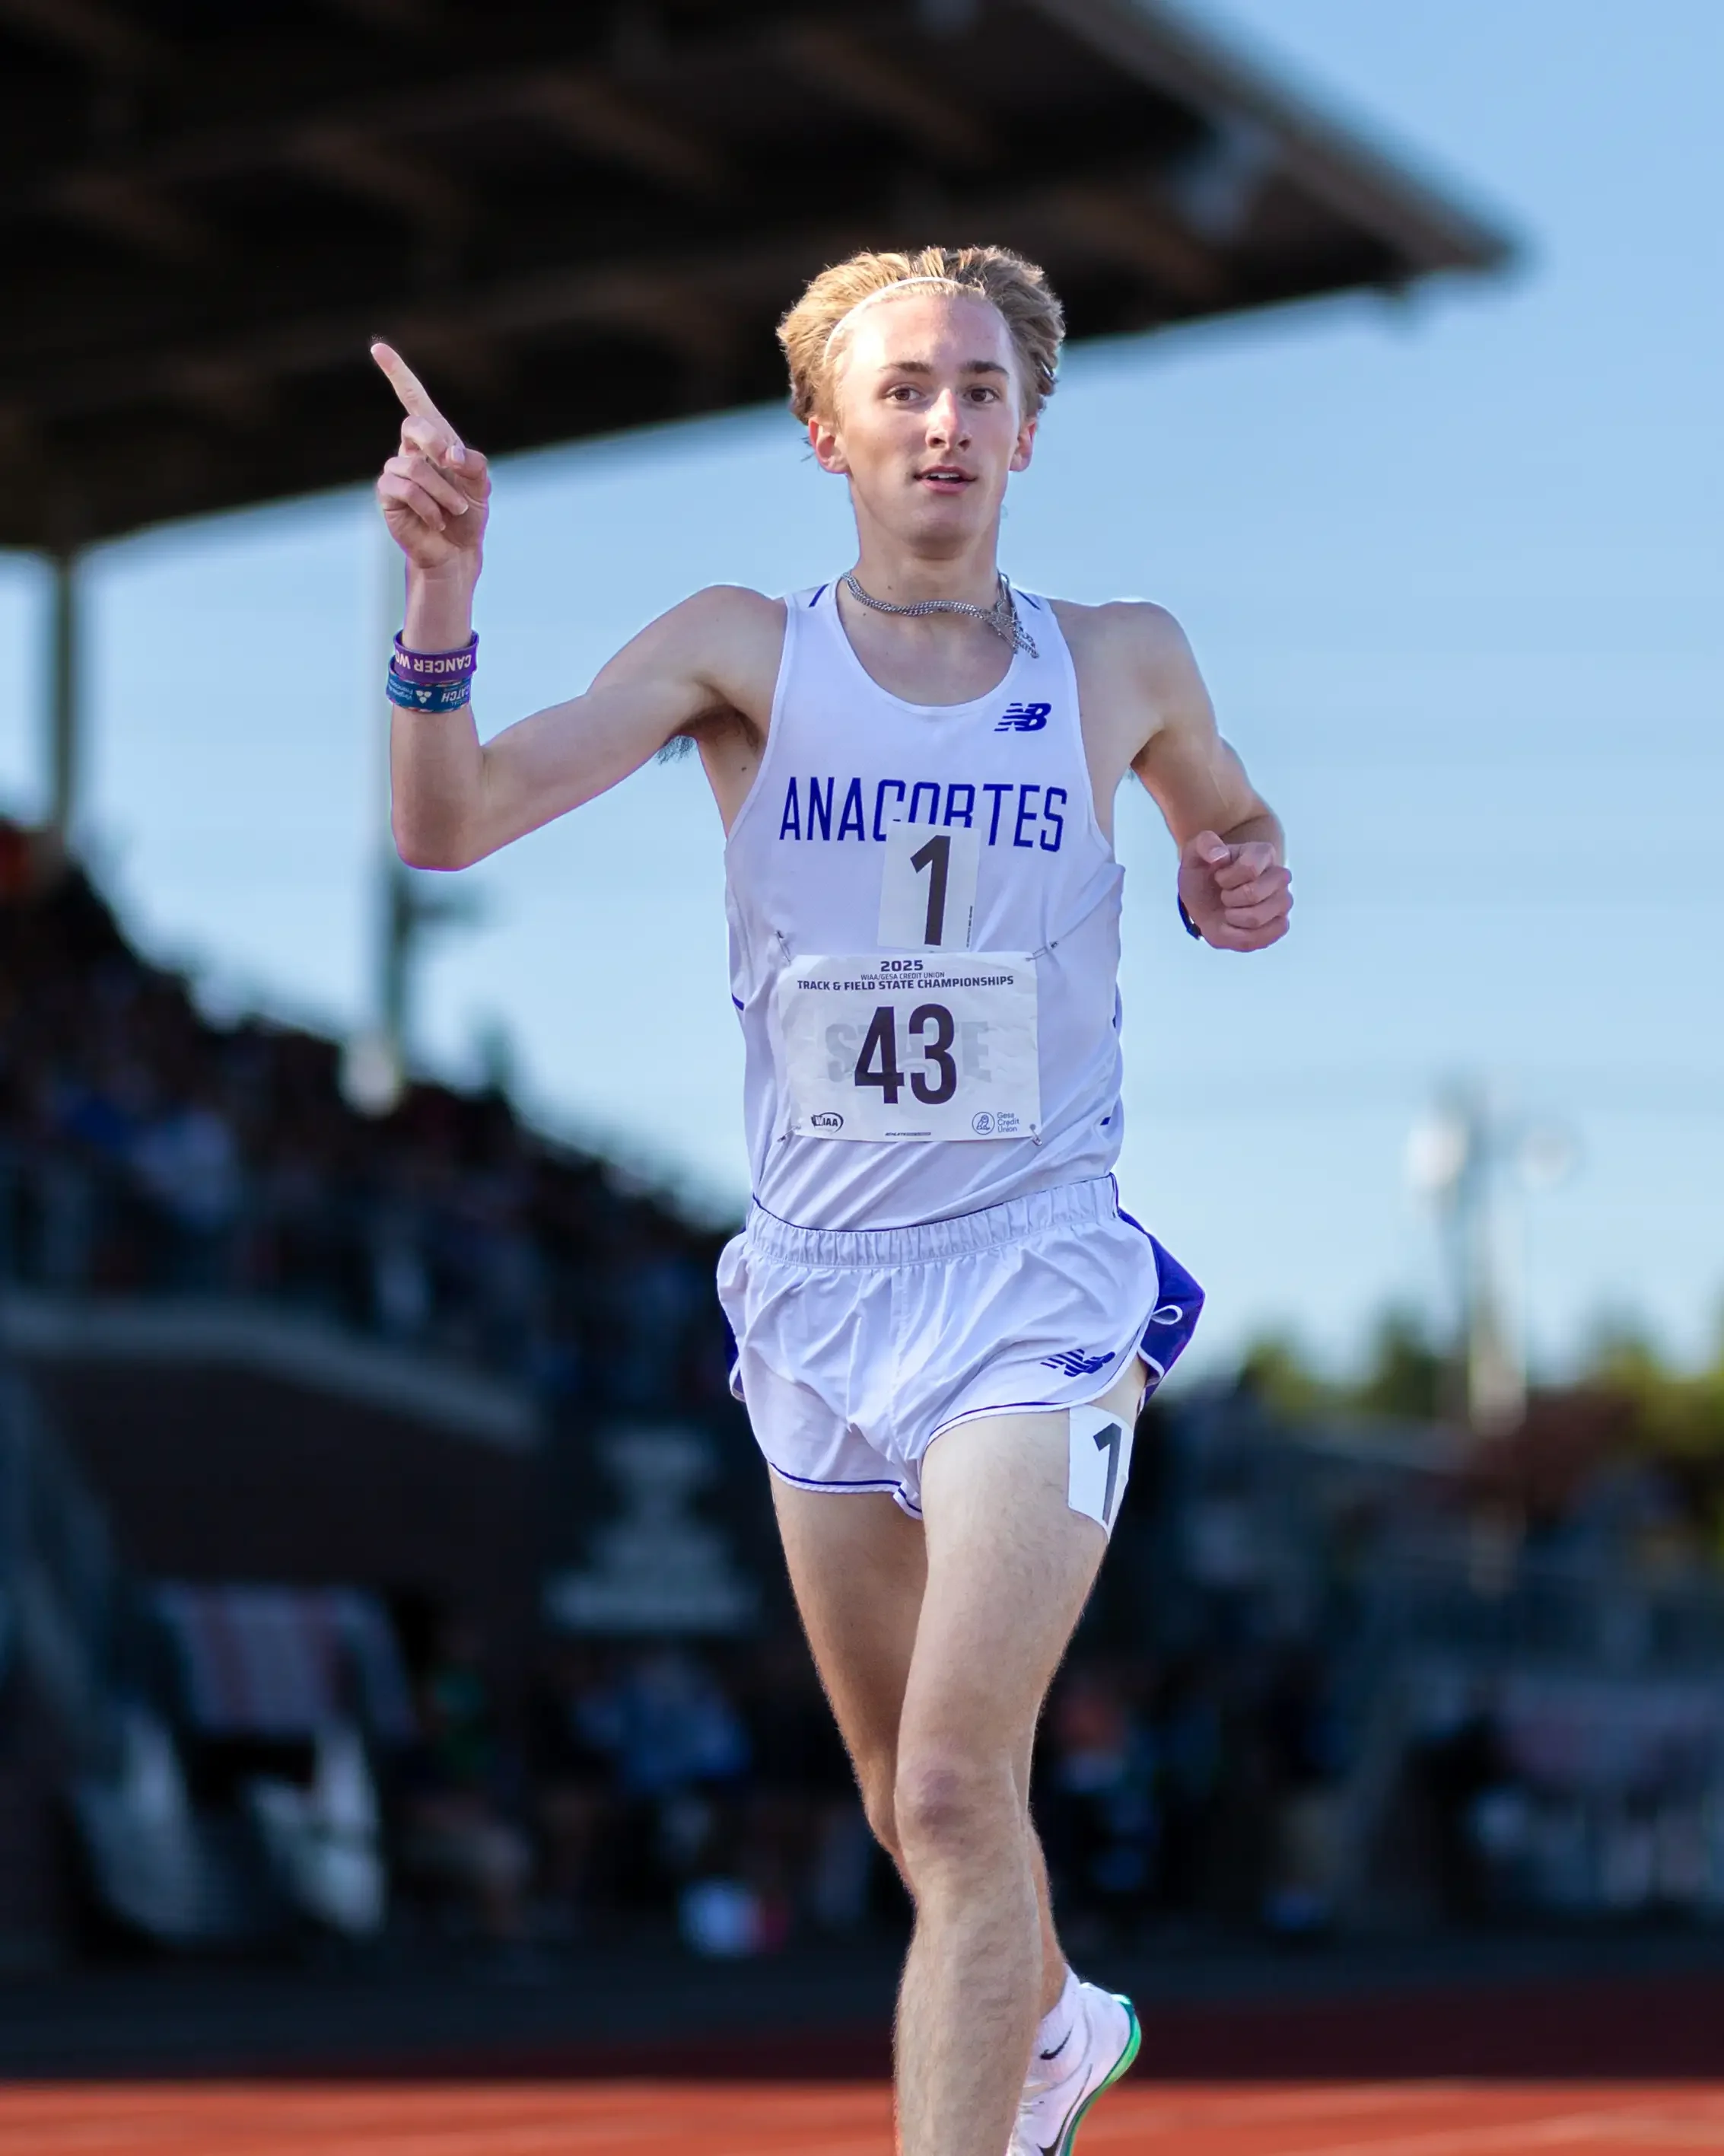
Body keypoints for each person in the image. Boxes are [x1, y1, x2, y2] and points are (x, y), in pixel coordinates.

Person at [371, 242, 1291, 2156]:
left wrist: (1237, 869)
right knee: (901, 1804)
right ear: (826, 432)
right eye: (901, 390)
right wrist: (441, 594)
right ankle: (1047, 2017)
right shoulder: (739, 652)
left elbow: (1227, 813)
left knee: (962, 1795)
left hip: (1036, 1276)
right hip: (814, 1291)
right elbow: (449, 823)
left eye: (974, 389)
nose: (941, 421)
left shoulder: (1116, 657)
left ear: (1026, 429)